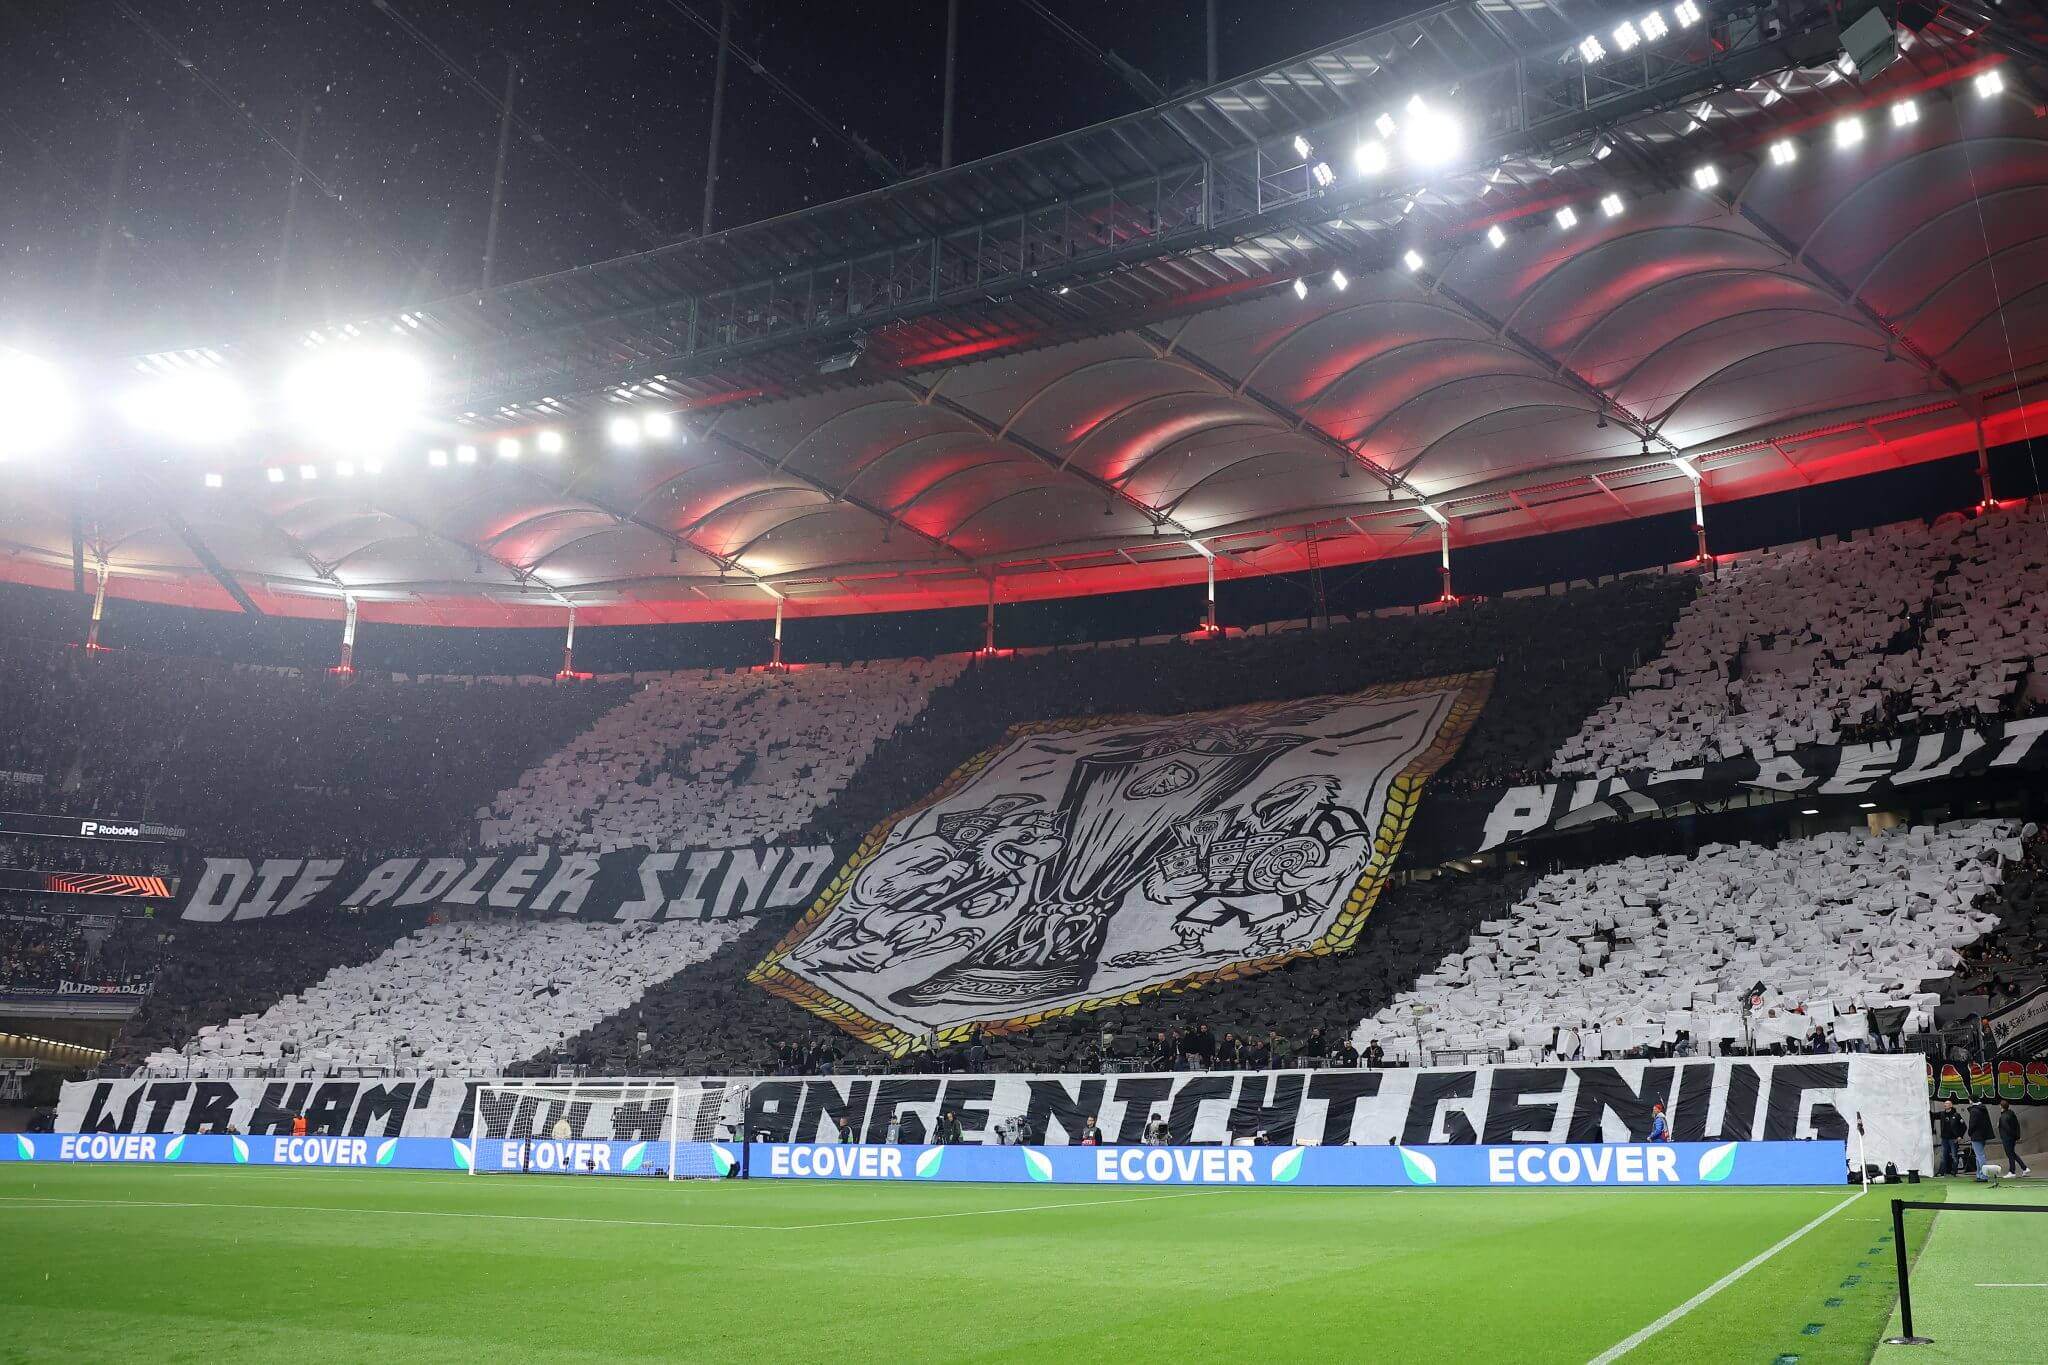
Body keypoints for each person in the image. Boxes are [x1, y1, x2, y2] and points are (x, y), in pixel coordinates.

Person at [1997, 1099, 2030, 1177]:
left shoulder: (2003, 1116)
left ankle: (2012, 1172)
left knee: (2010, 1154)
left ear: (2001, 1106)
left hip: (2007, 1138)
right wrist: (2017, 1136)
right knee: (2012, 1154)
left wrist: (2000, 1125)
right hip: (2012, 1138)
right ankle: (2024, 1168)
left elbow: (2007, 1128)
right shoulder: (2011, 1114)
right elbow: (2016, 1125)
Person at [1966, 1097, 1995, 1181]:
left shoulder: (1974, 1110)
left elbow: (1972, 1124)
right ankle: (1979, 1174)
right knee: (1978, 1156)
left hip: (1976, 1135)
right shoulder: (1982, 1108)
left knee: (1980, 1156)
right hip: (1983, 1135)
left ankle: (1983, 1175)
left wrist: (1970, 1132)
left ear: (1972, 1100)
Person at [1938, 1100, 1964, 1177]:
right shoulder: (1942, 1114)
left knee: (1954, 1156)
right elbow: (1932, 1115)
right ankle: (1941, 1172)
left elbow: (1964, 1126)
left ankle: (1954, 1172)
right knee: (1943, 1156)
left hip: (1953, 1139)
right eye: (1944, 1103)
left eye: (1947, 1104)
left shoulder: (1956, 1115)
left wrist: (1960, 1136)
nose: (1945, 1105)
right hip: (1944, 1139)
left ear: (1951, 1105)